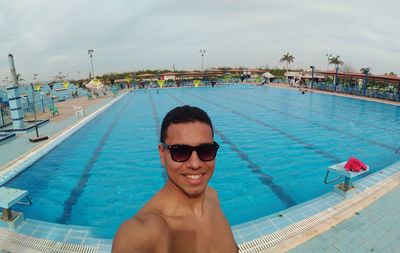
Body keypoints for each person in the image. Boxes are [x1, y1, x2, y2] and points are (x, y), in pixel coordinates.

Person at [112, 105, 238, 253]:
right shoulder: (141, 232)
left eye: (206, 150)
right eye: (180, 152)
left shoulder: (212, 197)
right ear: (162, 154)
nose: (195, 164)